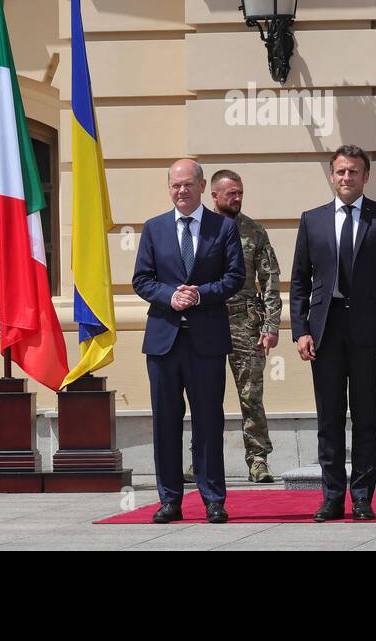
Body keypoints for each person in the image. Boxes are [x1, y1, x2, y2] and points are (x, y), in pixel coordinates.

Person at [290, 144, 376, 522]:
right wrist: (300, 330)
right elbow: (299, 282)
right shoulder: (312, 220)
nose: (346, 178)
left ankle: (362, 498)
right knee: (329, 418)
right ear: (331, 175)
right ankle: (331, 497)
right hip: (324, 331)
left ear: (365, 177)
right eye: (340, 171)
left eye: (353, 172)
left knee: (366, 416)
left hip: (368, 331)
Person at [133, 158, 245, 524]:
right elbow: (142, 280)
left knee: (208, 422)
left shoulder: (223, 228)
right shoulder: (154, 228)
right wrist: (170, 296)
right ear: (169, 188)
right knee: (165, 421)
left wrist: (199, 295)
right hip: (163, 340)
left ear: (201, 187)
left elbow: (235, 278)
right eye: (175, 185)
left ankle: (213, 497)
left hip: (207, 341)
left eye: (187, 184)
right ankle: (169, 500)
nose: (181, 191)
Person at [210, 169, 282, 484]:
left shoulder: (254, 232)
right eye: (231, 194)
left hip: (246, 322)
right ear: (214, 195)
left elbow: (270, 280)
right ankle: (203, 458)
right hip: (208, 320)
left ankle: (258, 460)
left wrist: (271, 324)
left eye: (240, 193)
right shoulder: (201, 230)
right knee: (206, 395)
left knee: (251, 394)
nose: (237, 198)